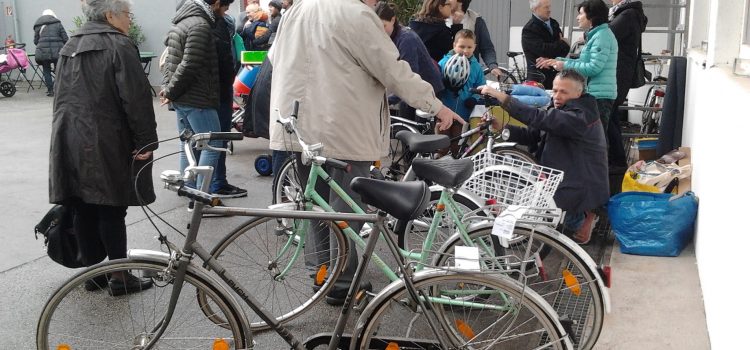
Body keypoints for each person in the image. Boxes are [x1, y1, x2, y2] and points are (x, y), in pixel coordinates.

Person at [268, 0, 463, 306]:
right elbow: (393, 71)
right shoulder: (356, 14)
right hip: (343, 127)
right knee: (346, 208)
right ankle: (342, 282)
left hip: (298, 124)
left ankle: (321, 275)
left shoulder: (298, 9)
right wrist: (436, 106)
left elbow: (275, 56)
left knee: (314, 206)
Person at [49, 0, 157, 294]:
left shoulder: (69, 45)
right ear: (111, 14)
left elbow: (60, 99)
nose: (129, 20)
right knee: (111, 207)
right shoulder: (119, 45)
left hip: (69, 137)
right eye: (127, 14)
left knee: (83, 205)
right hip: (107, 138)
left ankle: (94, 274)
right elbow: (136, 100)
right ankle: (120, 277)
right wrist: (146, 141)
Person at [479, 69, 608, 244]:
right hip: (561, 180)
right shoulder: (563, 108)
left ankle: (587, 219)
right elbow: (534, 134)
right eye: (555, 90)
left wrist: (503, 98)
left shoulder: (580, 117)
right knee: (525, 197)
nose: (557, 96)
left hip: (576, 190)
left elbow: (540, 118)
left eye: (564, 92)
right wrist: (502, 127)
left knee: (560, 234)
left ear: (579, 93)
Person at [160, 0, 223, 202]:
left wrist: (169, 90)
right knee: (212, 143)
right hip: (198, 97)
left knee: (187, 144)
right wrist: (170, 90)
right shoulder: (200, 25)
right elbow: (190, 64)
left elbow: (170, 61)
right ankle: (199, 199)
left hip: (182, 96)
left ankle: (188, 190)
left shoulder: (181, 22)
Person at [537, 0, 617, 132]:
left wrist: (564, 65)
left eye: (580, 14)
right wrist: (555, 61)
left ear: (591, 16)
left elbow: (593, 68)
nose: (577, 17)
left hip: (600, 96)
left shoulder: (602, 37)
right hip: (596, 94)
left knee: (597, 136)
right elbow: (583, 62)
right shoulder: (596, 35)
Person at [374, 1, 444, 120]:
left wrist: (387, 100)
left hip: (428, 88)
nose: (380, 30)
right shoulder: (389, 36)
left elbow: (410, 75)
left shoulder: (406, 39)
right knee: (404, 126)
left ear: (393, 20)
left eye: (383, 26)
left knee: (418, 131)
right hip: (413, 87)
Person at [211, 0, 248, 198]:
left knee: (202, 141)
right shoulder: (215, 24)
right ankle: (214, 185)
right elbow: (224, 62)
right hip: (217, 93)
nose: (226, 11)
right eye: (225, 7)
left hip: (212, 92)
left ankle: (201, 186)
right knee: (216, 140)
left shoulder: (198, 21)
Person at [608, 0, 648, 169]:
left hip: (618, 72)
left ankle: (616, 162)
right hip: (621, 71)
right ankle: (617, 160)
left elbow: (608, 34)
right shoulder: (629, 12)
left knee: (609, 118)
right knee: (612, 117)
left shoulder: (627, 14)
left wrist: (587, 34)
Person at [437, 29, 485, 156]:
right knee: (442, 144)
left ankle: (455, 168)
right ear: (454, 45)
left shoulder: (476, 67)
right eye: (462, 46)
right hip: (444, 112)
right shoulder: (444, 63)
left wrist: (474, 98)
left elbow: (481, 86)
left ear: (474, 47)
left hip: (463, 113)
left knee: (457, 145)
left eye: (469, 47)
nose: (465, 50)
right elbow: (436, 82)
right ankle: (436, 168)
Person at [521, 0, 570, 89]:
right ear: (535, 9)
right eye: (546, 7)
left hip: (556, 77)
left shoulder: (554, 23)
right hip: (539, 80)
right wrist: (562, 43)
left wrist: (551, 59)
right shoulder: (529, 29)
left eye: (549, 6)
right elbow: (543, 49)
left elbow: (566, 49)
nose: (549, 10)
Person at [448, 0, 502, 78]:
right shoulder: (440, 18)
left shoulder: (476, 20)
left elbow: (486, 47)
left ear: (460, 2)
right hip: (446, 72)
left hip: (470, 73)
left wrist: (492, 65)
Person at [33, 9, 68, 97]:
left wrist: (41, 45)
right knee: (58, 70)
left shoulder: (38, 26)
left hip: (43, 52)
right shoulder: (58, 24)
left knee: (46, 70)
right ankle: (58, 89)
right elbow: (65, 38)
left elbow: (35, 41)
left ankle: (50, 90)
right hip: (57, 50)